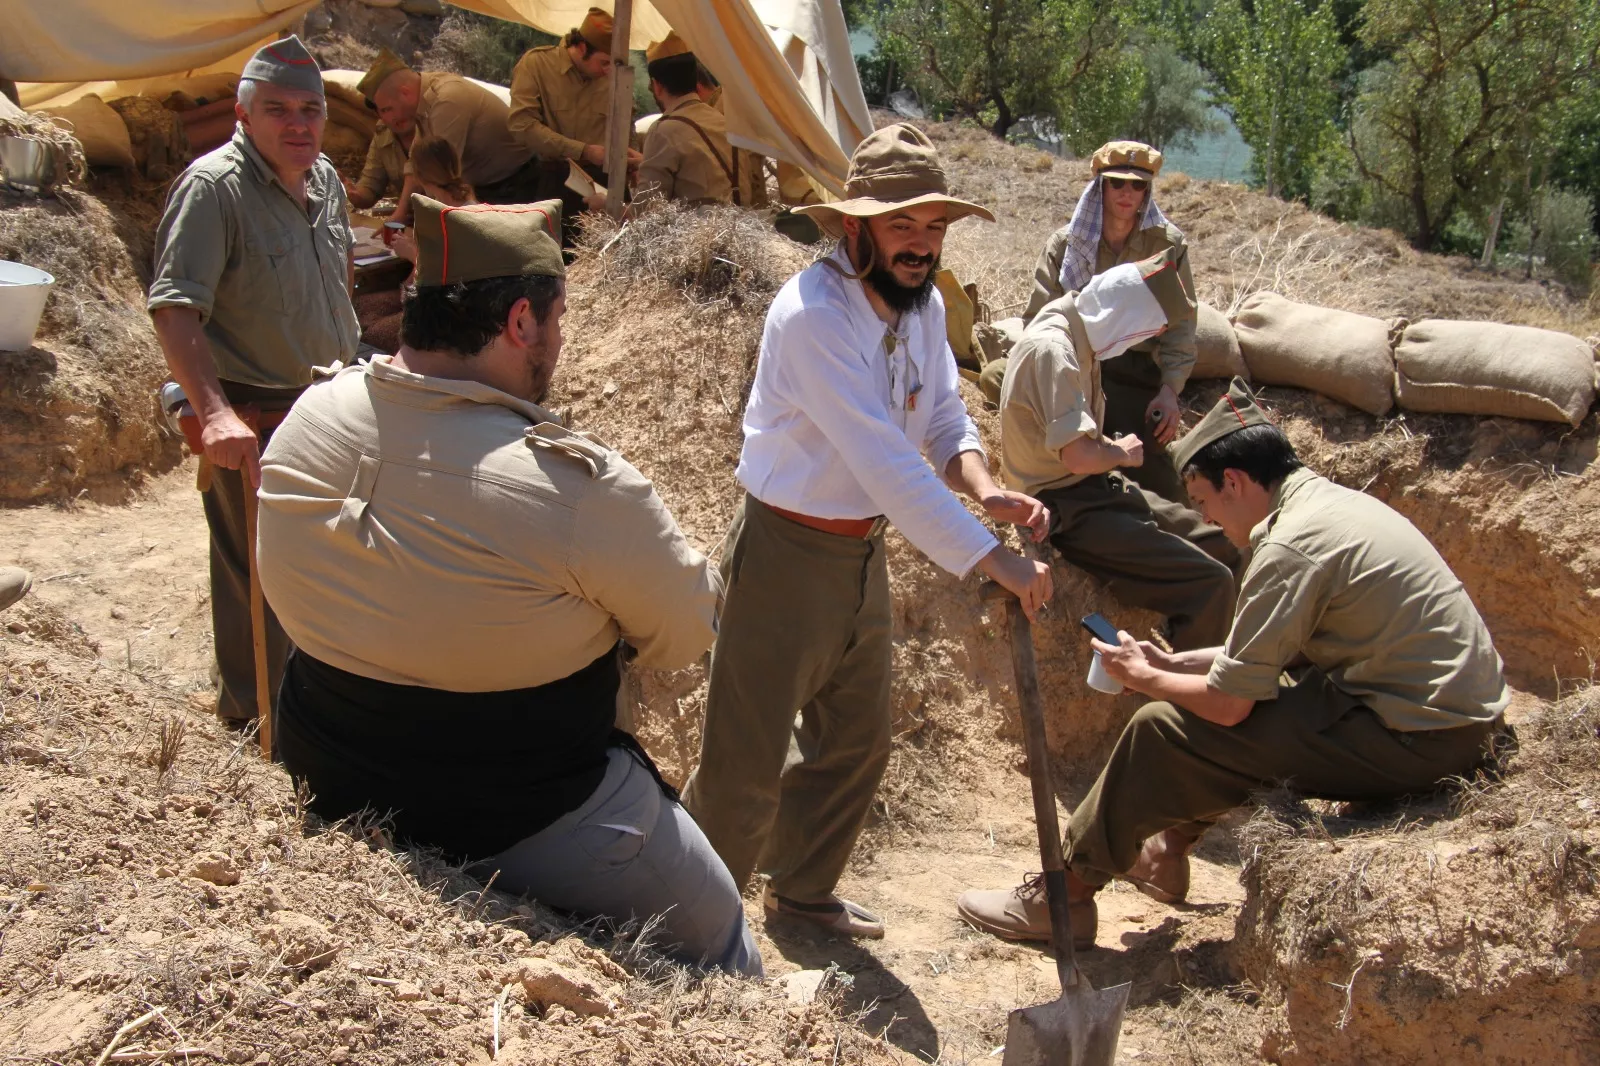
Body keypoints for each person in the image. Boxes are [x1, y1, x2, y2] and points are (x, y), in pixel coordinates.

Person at [255, 195, 761, 977]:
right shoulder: (580, 490)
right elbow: (684, 634)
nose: (559, 340)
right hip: (523, 809)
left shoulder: (310, 415)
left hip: (329, 769)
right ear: (521, 321)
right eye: (557, 320)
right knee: (719, 929)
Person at [957, 379, 1510, 948]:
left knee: (1164, 729)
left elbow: (1228, 705)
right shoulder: (1329, 508)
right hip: (1448, 719)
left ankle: (1063, 900)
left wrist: (1147, 679)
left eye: (1204, 502)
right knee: (1249, 708)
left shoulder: (1291, 548)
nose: (1208, 519)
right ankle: (1164, 855)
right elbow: (1256, 655)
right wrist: (1172, 661)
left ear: (1236, 482)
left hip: (1423, 739)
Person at [681, 124, 1055, 940]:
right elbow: (886, 461)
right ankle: (692, 923)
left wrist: (986, 488)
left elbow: (943, 416)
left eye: (934, 227)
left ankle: (801, 892)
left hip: (860, 551)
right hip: (784, 554)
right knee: (746, 760)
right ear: (855, 229)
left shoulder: (924, 306)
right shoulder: (813, 316)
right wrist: (993, 560)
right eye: (901, 226)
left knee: (856, 742)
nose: (921, 245)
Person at [147, 36, 359, 729]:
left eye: (310, 110)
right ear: (243, 114)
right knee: (258, 575)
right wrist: (213, 414)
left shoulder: (325, 181)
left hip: (325, 402)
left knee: (323, 562)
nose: (298, 125)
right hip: (255, 413)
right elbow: (176, 307)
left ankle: (317, 707)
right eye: (278, 110)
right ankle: (254, 718)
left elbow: (337, 280)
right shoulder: (214, 189)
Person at [990, 249, 1233, 661]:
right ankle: (1184, 693)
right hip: (1065, 503)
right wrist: (1121, 452)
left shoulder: (1077, 329)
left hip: (1092, 487)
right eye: (1143, 332)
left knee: (1224, 544)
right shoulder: (1055, 350)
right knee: (1212, 584)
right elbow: (1078, 457)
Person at [981, 143, 1198, 510]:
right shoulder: (1066, 243)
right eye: (1117, 183)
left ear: (1147, 191)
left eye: (1138, 185)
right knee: (996, 375)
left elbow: (1180, 320)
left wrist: (1170, 390)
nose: (1127, 193)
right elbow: (1038, 319)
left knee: (1158, 478)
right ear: (1100, 186)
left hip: (1131, 369)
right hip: (1070, 360)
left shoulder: (1167, 244)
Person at [508, 8, 642, 244]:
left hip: (608, 185)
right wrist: (584, 150)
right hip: (558, 182)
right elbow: (522, 125)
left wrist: (630, 162)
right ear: (581, 48)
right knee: (555, 255)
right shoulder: (537, 65)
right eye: (603, 63)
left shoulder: (615, 76)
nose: (608, 71)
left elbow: (627, 127)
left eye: (613, 65)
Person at [358, 48, 538, 223]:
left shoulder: (447, 100)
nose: (387, 118)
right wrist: (400, 213)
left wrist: (422, 230)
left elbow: (439, 174)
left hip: (516, 186)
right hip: (487, 187)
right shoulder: (424, 103)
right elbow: (416, 162)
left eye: (388, 109)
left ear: (405, 92)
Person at [635, 34, 735, 206]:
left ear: (656, 86)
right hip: (743, 220)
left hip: (700, 223)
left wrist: (606, 205)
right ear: (696, 80)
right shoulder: (724, 121)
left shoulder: (663, 131)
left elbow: (647, 208)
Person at [346, 119, 411, 210]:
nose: (397, 115)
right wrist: (357, 195)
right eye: (385, 111)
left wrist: (401, 212)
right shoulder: (383, 131)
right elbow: (371, 182)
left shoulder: (429, 127)